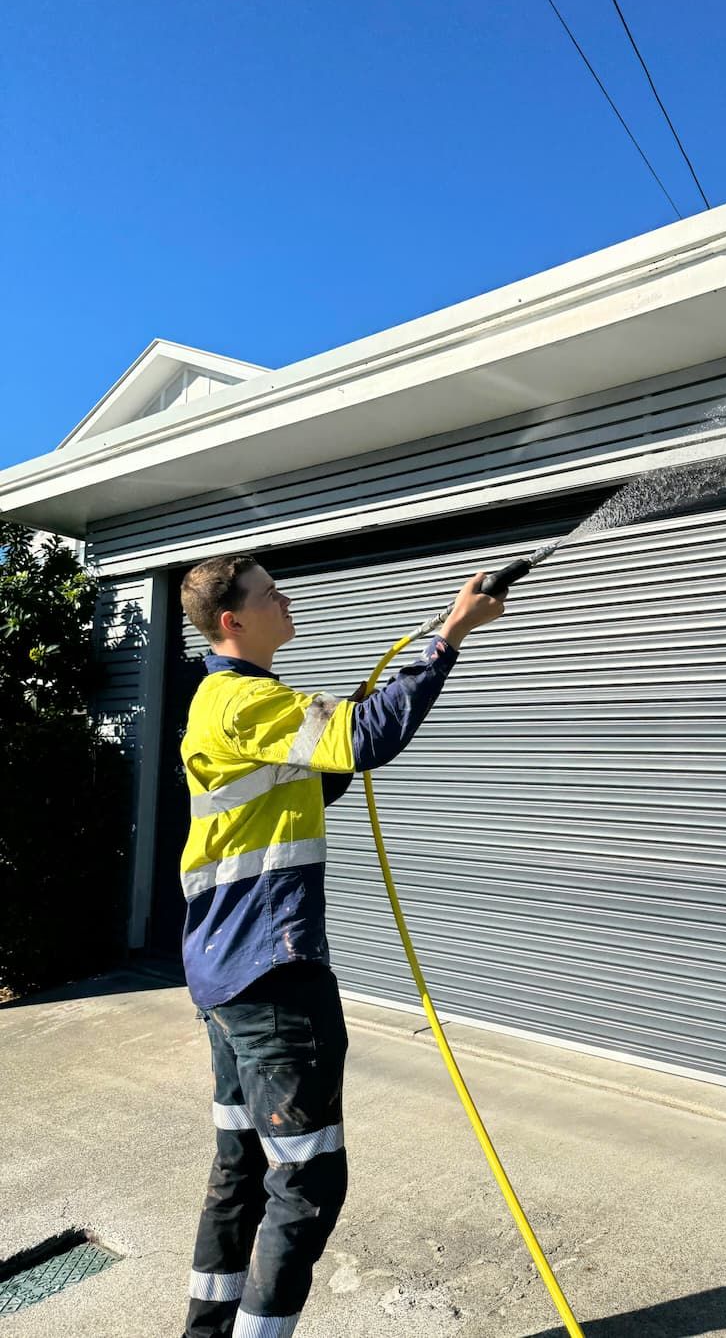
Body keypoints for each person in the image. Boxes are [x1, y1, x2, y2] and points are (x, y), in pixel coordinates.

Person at [175, 554, 504, 1338]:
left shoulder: (227, 703)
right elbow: (367, 738)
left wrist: (350, 722)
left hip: (227, 977)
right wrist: (451, 636)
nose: (284, 599)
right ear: (233, 621)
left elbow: (323, 774)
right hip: (272, 974)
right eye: (268, 594)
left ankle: (207, 1333)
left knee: (242, 1169)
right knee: (310, 1177)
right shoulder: (245, 701)